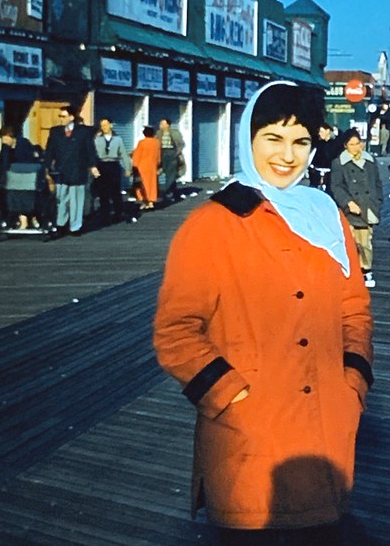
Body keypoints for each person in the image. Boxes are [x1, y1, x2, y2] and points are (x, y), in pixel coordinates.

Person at [154, 81, 373, 545]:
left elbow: (354, 308)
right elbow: (176, 333)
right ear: (248, 139)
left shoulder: (325, 214)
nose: (287, 155)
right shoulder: (213, 224)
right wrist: (232, 398)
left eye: (301, 142)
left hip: (324, 431)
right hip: (252, 435)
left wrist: (352, 382)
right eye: (273, 138)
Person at [330, 128, 384, 288]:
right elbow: (336, 186)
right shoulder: (339, 162)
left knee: (365, 242)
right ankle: (349, 271)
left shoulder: (370, 160)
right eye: (352, 144)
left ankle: (366, 270)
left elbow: (377, 183)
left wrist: (378, 201)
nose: (356, 147)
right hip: (349, 209)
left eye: (358, 143)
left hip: (368, 207)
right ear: (345, 145)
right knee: (349, 241)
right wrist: (348, 202)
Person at [43, 104, 98, 237]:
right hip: (61, 170)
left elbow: (90, 150)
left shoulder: (83, 132)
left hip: (78, 169)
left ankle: (75, 226)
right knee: (61, 199)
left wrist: (93, 166)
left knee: (77, 200)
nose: (61, 119)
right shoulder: (55, 132)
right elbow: (49, 150)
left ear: (71, 117)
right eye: (59, 116)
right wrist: (46, 166)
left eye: (63, 116)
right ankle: (61, 224)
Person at [0, 125, 45, 230]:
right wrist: (6, 149)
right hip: (12, 179)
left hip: (26, 177)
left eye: (5, 137)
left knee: (26, 196)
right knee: (11, 196)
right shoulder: (6, 148)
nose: (4, 141)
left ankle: (29, 218)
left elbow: (27, 161)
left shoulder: (24, 144)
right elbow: (2, 164)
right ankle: (21, 220)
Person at [93, 118, 131, 224]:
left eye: (106, 125)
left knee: (115, 191)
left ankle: (118, 213)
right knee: (102, 191)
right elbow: (92, 153)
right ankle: (105, 213)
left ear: (111, 125)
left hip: (113, 164)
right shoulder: (97, 139)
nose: (104, 127)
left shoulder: (118, 139)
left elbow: (123, 153)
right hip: (101, 164)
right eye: (102, 125)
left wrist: (128, 168)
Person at [130, 126, 162, 209]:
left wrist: (134, 166)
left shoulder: (142, 142)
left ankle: (144, 201)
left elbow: (137, 155)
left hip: (142, 167)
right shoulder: (156, 142)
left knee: (141, 185)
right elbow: (158, 156)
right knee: (152, 184)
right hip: (152, 166)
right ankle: (151, 202)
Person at [158, 117, 185, 204]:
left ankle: (166, 192)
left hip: (172, 153)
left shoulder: (175, 133)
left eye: (162, 124)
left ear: (167, 124)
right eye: (160, 124)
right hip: (162, 153)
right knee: (168, 173)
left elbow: (181, 144)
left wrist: (176, 153)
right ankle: (175, 194)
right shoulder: (158, 133)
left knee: (171, 174)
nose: (160, 125)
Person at [309, 123, 341, 190]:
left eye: (322, 131)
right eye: (319, 132)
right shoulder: (318, 144)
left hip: (331, 174)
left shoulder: (337, 144)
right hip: (317, 174)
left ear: (328, 130)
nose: (320, 134)